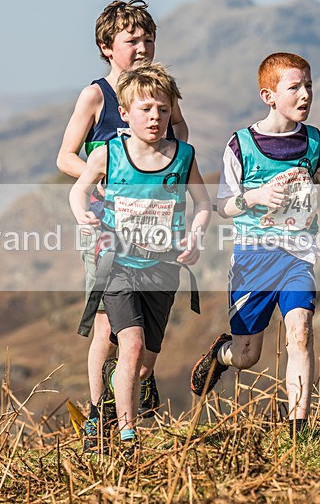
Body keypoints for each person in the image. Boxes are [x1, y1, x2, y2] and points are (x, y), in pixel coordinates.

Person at [189, 52, 320, 437]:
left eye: (309, 86)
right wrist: (256, 198)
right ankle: (221, 355)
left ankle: (298, 428)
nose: (305, 94)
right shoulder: (241, 145)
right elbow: (223, 206)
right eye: (295, 88)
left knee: (300, 332)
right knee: (248, 356)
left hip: (297, 258)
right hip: (253, 261)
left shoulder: (315, 142)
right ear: (268, 95)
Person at [56, 0, 188, 435]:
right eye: (132, 40)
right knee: (107, 326)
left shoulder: (159, 93)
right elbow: (65, 157)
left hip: (154, 228)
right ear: (106, 46)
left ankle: (124, 399)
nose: (143, 48)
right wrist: (106, 176)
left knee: (142, 334)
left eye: (149, 39)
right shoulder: (96, 94)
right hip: (103, 224)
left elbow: (180, 139)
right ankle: (97, 412)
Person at [70, 63, 210, 455]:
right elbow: (78, 190)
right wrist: (82, 212)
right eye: (146, 109)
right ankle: (127, 436)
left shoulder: (183, 156)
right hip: (117, 264)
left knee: (144, 361)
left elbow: (202, 203)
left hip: (162, 268)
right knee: (128, 344)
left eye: (163, 110)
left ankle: (110, 405)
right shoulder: (108, 153)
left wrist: (196, 236)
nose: (155, 117)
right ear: (126, 114)